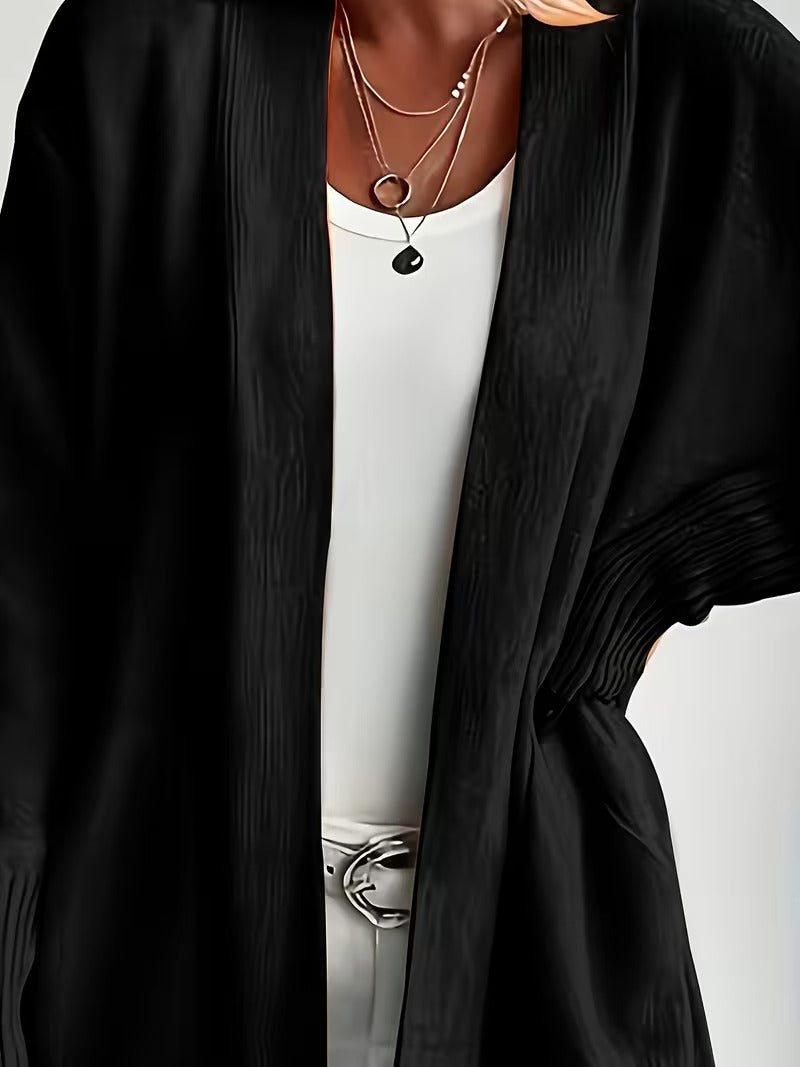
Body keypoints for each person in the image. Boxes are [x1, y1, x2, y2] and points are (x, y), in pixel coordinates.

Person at [0, 0, 798, 1064]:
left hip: (536, 962)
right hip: (162, 965)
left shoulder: (683, 67)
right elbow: (22, 573)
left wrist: (642, 579)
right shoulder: (141, 45)